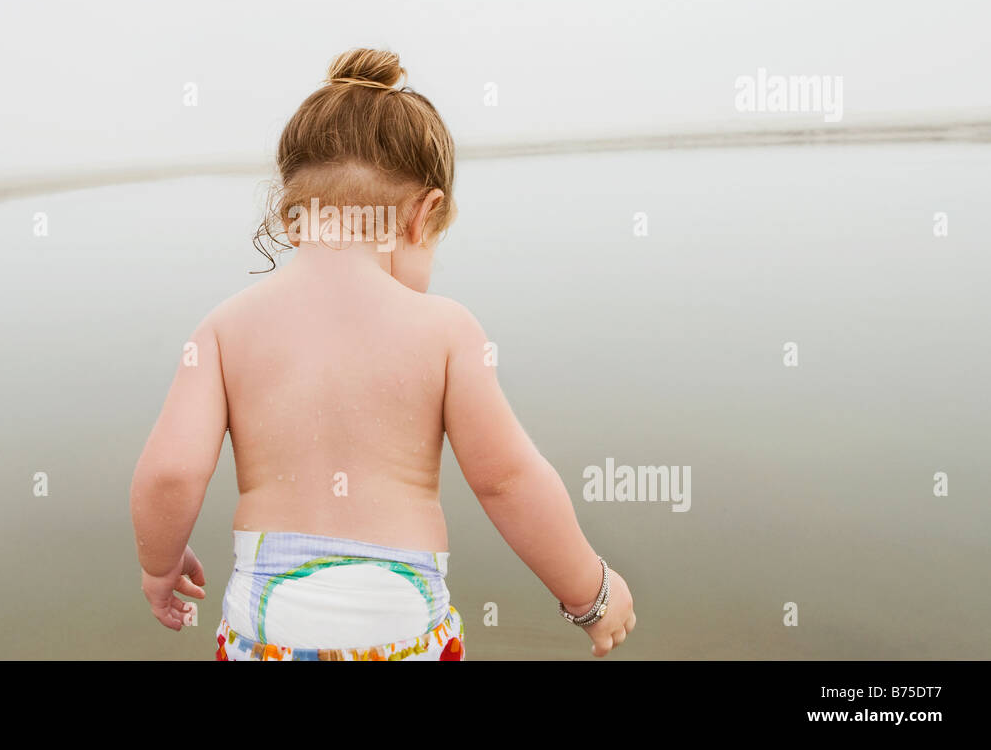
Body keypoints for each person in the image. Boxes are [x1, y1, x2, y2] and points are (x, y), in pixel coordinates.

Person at [130, 48, 635, 660]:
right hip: (401, 626)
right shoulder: (446, 329)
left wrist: (159, 566)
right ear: (422, 216)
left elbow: (171, 473)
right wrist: (591, 593)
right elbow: (508, 481)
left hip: (264, 627)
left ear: (291, 216)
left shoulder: (223, 328)